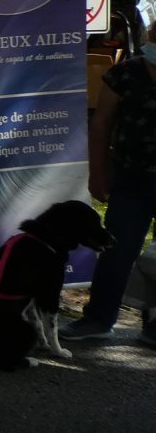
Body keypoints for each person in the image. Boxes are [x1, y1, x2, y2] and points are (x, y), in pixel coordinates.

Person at [63, 43, 156, 345]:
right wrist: (97, 173)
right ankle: (98, 319)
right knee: (116, 250)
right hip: (132, 180)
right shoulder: (125, 73)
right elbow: (101, 124)